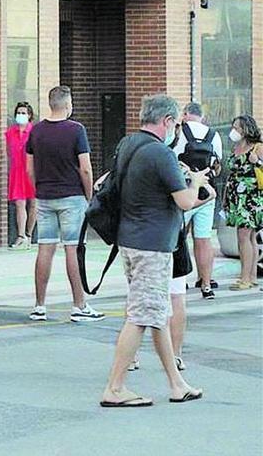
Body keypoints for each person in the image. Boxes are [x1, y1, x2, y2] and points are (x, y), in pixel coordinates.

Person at [100, 94, 206, 407]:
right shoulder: (162, 154)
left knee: (156, 312)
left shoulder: (127, 144)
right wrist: (198, 184)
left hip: (131, 240)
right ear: (167, 122)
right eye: (175, 123)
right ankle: (115, 388)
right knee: (140, 316)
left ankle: (177, 383)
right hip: (152, 245)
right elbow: (185, 202)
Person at [25, 86, 103, 322]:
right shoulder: (76, 130)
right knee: (72, 248)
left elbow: (29, 168)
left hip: (45, 196)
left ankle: (39, 306)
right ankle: (79, 305)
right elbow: (86, 168)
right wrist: (88, 196)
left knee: (45, 248)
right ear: (68, 105)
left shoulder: (36, 131)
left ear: (50, 104)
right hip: (71, 197)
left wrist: (39, 189)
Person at [172, 102, 222, 299]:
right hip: (206, 191)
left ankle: (180, 280)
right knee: (203, 240)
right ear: (201, 116)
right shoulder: (214, 134)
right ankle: (206, 284)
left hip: (183, 190)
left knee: (180, 238)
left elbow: (172, 160)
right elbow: (217, 166)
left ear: (185, 114)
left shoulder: (179, 132)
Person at [223, 114, 263, 291]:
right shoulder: (236, 147)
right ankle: (252, 276)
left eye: (237, 128)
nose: (234, 131)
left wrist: (258, 163)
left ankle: (245, 278)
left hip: (251, 197)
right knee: (251, 237)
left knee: (244, 237)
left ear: (246, 129)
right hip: (236, 197)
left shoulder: (257, 148)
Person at [5, 101, 37, 250]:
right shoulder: (10, 132)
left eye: (24, 112)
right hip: (17, 172)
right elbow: (9, 152)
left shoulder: (35, 132)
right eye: (19, 112)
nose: (21, 115)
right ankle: (20, 235)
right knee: (19, 204)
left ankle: (29, 234)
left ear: (29, 115)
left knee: (33, 203)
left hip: (32, 170)